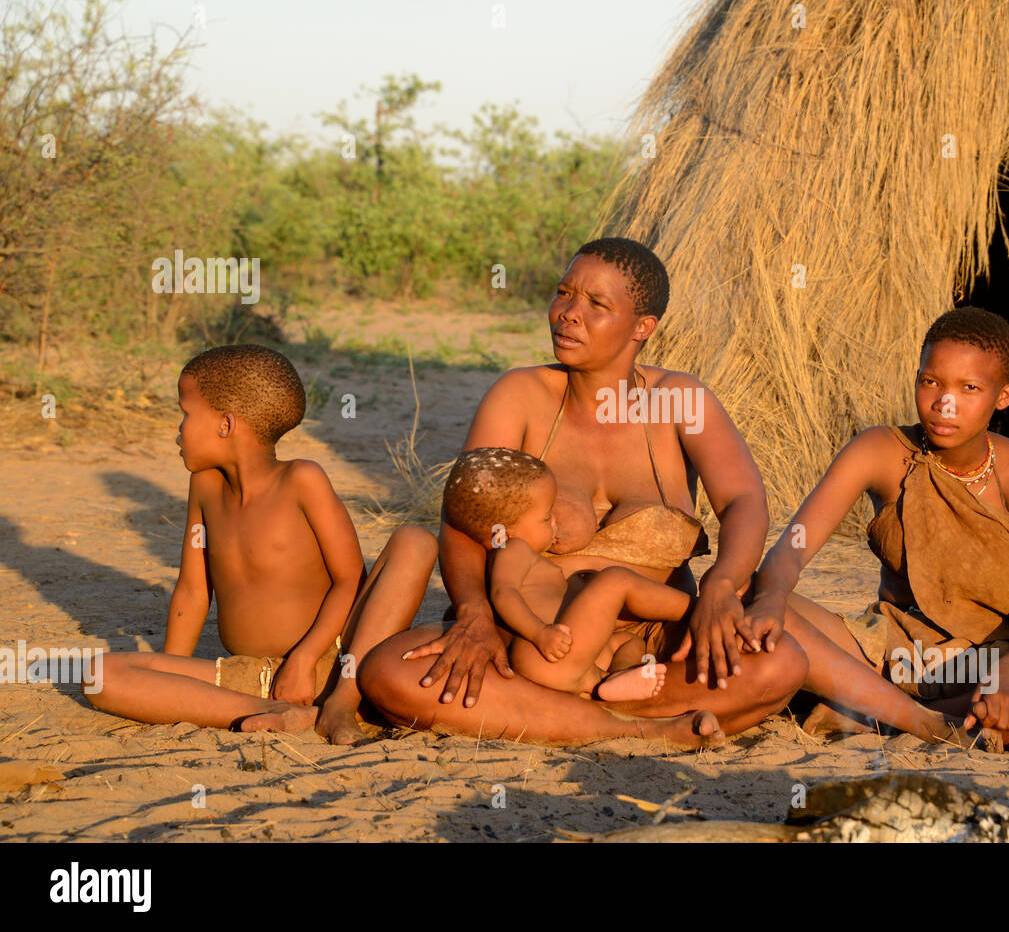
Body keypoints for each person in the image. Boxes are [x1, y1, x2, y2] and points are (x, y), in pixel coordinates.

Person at [354, 237, 808, 747]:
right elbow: (461, 519)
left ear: (642, 327)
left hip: (645, 646)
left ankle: (563, 716)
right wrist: (476, 613)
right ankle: (646, 729)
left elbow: (743, 501)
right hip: (526, 636)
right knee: (388, 672)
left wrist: (722, 587)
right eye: (564, 293)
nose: (569, 314)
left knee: (780, 663)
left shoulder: (679, 399)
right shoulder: (519, 395)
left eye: (596, 304)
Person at [746, 307, 1009, 748]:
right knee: (741, 592)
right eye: (930, 381)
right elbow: (791, 548)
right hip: (886, 653)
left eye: (969, 388)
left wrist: (1005, 679)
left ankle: (872, 711)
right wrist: (770, 597)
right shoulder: (880, 450)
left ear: (1004, 395)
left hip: (988, 666)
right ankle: (917, 720)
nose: (944, 403)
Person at [83, 345, 367, 737]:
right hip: (248, 675)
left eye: (185, 413)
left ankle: (305, 704)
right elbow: (193, 590)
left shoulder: (302, 480)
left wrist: (303, 659)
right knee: (100, 676)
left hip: (320, 665)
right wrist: (172, 671)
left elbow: (351, 579)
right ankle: (277, 712)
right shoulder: (204, 487)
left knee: (412, 543)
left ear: (225, 424)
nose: (178, 428)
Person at [444, 446, 688, 701]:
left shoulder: (508, 561)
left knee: (628, 642)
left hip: (572, 661)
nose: (555, 522)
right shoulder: (512, 548)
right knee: (616, 580)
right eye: (546, 517)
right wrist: (540, 633)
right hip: (547, 652)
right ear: (500, 533)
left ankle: (615, 679)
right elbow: (503, 593)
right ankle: (693, 608)